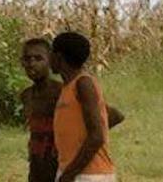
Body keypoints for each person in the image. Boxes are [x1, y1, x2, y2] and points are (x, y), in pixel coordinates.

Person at [21, 38, 124, 182]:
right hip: (39, 169)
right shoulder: (27, 95)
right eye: (26, 59)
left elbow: (112, 117)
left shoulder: (62, 90)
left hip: (66, 168)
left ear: (51, 59)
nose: (31, 64)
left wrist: (78, 140)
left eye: (38, 58)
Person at [51, 31, 116, 182]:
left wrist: (69, 174)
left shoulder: (83, 84)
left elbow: (97, 136)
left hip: (89, 174)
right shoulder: (67, 87)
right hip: (73, 171)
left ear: (58, 57)